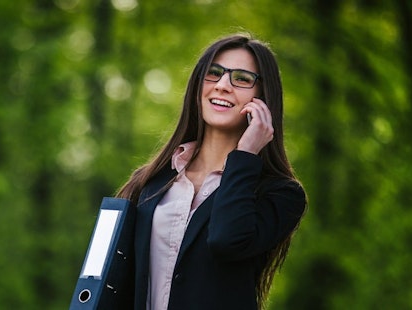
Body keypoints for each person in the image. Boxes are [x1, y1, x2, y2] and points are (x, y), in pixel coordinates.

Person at [115, 33, 307, 309]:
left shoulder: (280, 194)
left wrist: (245, 156)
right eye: (213, 74)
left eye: (241, 78)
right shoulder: (150, 181)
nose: (223, 85)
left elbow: (226, 240)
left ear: (263, 98)